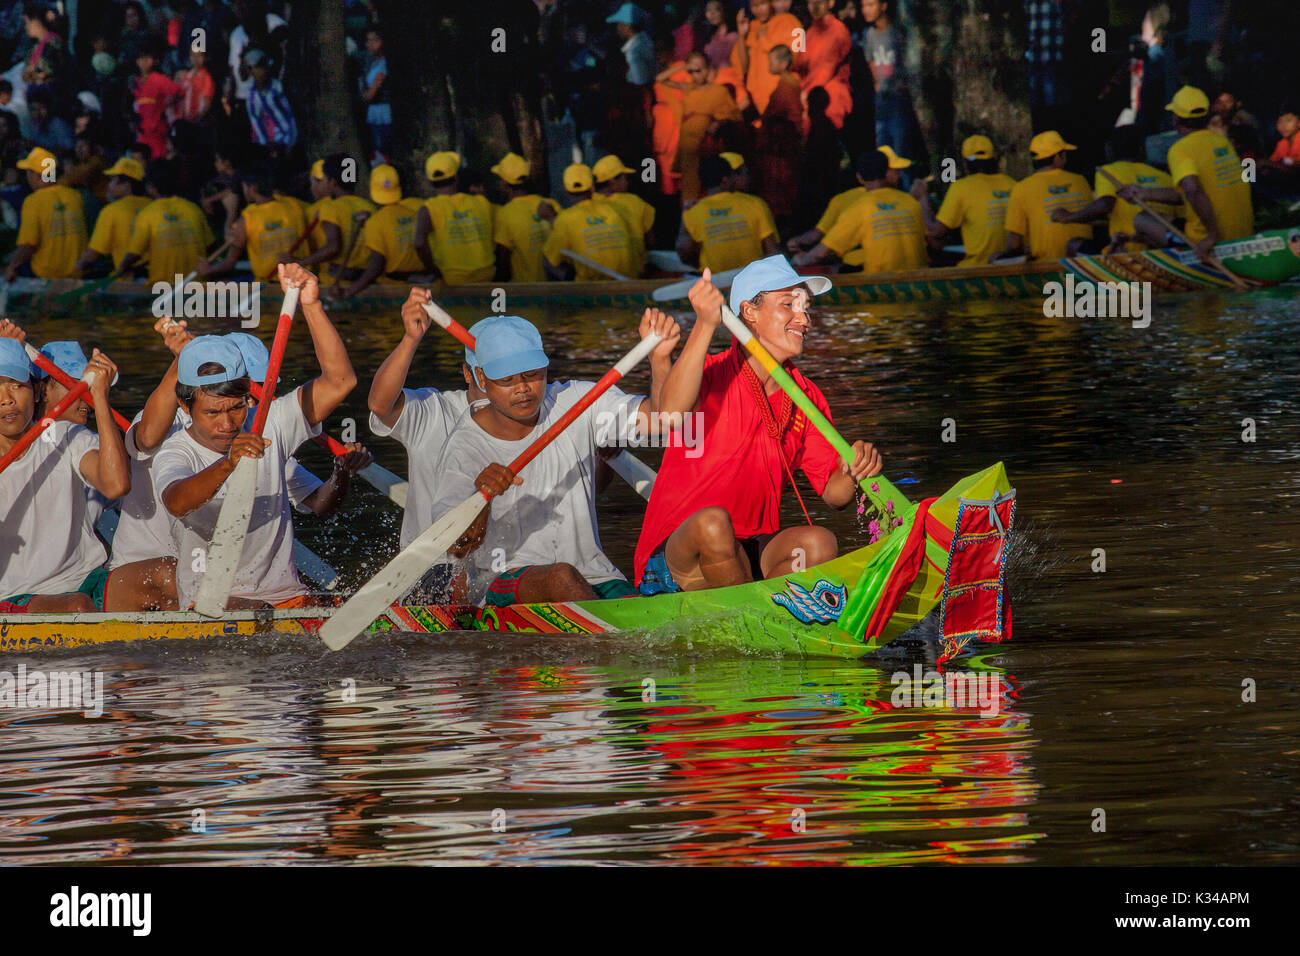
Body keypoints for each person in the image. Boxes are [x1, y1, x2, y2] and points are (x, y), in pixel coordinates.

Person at [633, 256, 882, 595]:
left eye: (805, 308)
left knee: (818, 544)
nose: (804, 318)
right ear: (749, 312)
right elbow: (670, 414)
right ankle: (758, 618)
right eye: (789, 305)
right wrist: (705, 324)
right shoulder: (710, 372)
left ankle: (771, 613)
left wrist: (854, 467)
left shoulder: (806, 396)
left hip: (750, 552)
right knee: (713, 523)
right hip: (677, 558)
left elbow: (835, 495)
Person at [429, 309, 679, 607]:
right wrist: (483, 499)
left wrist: (660, 359)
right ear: (481, 377)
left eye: (533, 375)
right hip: (499, 583)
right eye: (507, 379)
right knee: (561, 577)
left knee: (644, 609)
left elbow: (663, 421)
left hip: (595, 575)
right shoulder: (464, 446)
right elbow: (456, 549)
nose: (523, 388)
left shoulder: (577, 401)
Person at [154, 264, 356, 611]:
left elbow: (340, 382)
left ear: (249, 397)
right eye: (212, 413)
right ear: (186, 408)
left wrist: (311, 305)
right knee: (258, 612)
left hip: (285, 596)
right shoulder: (176, 451)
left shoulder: (269, 422)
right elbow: (177, 501)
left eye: (236, 408)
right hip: (210, 601)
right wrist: (228, 463)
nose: (227, 423)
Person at [0, 338, 131, 613]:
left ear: (35, 393)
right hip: (17, 595)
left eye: (17, 385)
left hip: (86, 580)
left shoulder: (65, 434)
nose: (7, 398)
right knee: (78, 606)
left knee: (164, 575)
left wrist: (100, 399)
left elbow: (116, 484)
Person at [367, 287, 482, 562]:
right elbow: (380, 405)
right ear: (467, 374)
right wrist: (410, 338)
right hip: (432, 566)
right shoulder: (434, 409)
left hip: (507, 568)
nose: (515, 387)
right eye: (497, 375)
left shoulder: (537, 410)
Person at [1116, 86, 1253, 261]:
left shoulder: (1180, 149)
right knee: (1154, 226)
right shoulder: (1222, 142)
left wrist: (1211, 236)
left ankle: (1183, 256)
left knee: (1142, 220)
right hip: (1242, 234)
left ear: (1176, 119)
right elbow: (1189, 191)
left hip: (1210, 240)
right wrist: (1143, 193)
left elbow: (1193, 190)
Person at [793, 149, 927, 272]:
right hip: (919, 284)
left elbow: (821, 252)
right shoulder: (910, 201)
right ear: (887, 173)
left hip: (883, 286)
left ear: (859, 177)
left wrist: (801, 259)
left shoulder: (860, 207)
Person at [1049, 125, 1177, 253]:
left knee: (1072, 246)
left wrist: (1067, 217)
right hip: (1165, 251)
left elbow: (1105, 204)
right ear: (1142, 150)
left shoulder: (1108, 172)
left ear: (1109, 150)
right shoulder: (1165, 177)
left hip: (1126, 251)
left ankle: (1070, 274)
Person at [918, 135, 1018, 266]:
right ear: (993, 158)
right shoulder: (1012, 184)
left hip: (978, 268)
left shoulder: (962, 187)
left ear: (965, 162)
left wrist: (922, 198)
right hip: (1013, 265)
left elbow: (935, 231)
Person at [200, 165, 307, 282]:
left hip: (268, 285)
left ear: (253, 188)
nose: (244, 191)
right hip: (302, 279)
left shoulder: (248, 218)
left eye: (245, 186)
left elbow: (229, 264)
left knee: (219, 285)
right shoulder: (295, 205)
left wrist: (208, 269)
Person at [118, 159, 215, 285]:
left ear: (151, 187)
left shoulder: (147, 214)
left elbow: (134, 253)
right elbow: (210, 246)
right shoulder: (193, 209)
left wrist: (121, 268)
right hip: (198, 287)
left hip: (164, 289)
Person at [336, 164, 426, 298]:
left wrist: (349, 291)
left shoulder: (375, 223)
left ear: (371, 189)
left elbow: (376, 267)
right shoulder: (414, 213)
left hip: (395, 288)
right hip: (423, 282)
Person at [679, 155, 780, 272]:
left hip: (716, 283)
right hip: (752, 279)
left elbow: (684, 253)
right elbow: (772, 252)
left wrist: (685, 215)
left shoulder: (693, 210)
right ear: (726, 180)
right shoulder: (755, 203)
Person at [1004, 130, 1093, 261]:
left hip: (1048, 269)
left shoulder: (1022, 188)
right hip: (1083, 265)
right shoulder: (1080, 180)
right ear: (1058, 157)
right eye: (1064, 153)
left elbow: (1014, 243)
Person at [669, 50, 742, 202]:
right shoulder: (689, 88)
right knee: (690, 193)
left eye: (701, 69)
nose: (698, 74)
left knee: (711, 189)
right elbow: (660, 79)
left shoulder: (720, 90)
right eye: (693, 71)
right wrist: (682, 68)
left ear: (709, 69)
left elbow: (735, 116)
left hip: (709, 148)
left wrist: (719, 122)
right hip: (689, 147)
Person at [4, 146, 87, 281]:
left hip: (49, 282)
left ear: (34, 174)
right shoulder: (75, 196)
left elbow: (29, 244)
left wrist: (12, 266)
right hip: (77, 277)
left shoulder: (33, 201)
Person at [542, 164, 636, 282]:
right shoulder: (614, 210)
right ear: (592, 187)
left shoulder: (565, 219)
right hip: (625, 283)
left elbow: (550, 260)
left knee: (547, 260)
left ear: (565, 190)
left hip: (590, 289)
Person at [292, 153, 375, 285]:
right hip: (365, 280)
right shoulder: (369, 206)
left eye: (324, 178)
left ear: (333, 182)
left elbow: (334, 247)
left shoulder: (331, 208)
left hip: (337, 283)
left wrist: (301, 263)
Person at [413, 151, 495, 284]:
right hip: (486, 274)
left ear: (430, 182)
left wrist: (434, 271)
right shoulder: (482, 202)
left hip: (452, 279)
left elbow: (419, 243)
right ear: (456, 177)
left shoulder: (428, 209)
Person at [75, 156, 150, 276]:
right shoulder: (153, 206)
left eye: (113, 180)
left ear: (126, 185)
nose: (109, 185)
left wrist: (78, 266)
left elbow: (93, 254)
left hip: (128, 284)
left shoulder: (112, 211)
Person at [754, 44, 803, 226]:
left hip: (782, 148)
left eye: (772, 61)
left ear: (783, 64)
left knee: (780, 190)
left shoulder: (787, 86)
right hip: (776, 145)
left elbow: (794, 117)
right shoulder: (785, 84)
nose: (769, 65)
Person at [491, 152, 560, 282]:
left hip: (526, 291)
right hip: (557, 288)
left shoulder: (505, 213)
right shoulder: (551, 204)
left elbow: (503, 261)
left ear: (505, 184)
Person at [731, 0, 801, 115]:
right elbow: (743, 67)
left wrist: (764, 41)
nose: (759, 9)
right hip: (756, 99)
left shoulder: (791, 22)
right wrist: (742, 35)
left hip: (781, 94)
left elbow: (795, 58)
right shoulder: (752, 26)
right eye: (754, 6)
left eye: (763, 4)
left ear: (771, 3)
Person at [861, 0, 911, 156]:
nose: (865, 10)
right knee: (883, 148)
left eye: (870, 5)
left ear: (883, 6)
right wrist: (877, 83)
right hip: (882, 99)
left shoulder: (897, 32)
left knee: (901, 147)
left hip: (899, 99)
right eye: (863, 6)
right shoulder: (869, 35)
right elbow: (872, 61)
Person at [593, 154, 655, 277]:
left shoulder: (587, 205)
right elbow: (651, 240)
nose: (627, 181)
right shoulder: (635, 202)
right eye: (624, 177)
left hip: (595, 280)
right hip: (633, 277)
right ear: (612, 181)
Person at [800, 0, 854, 131]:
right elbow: (800, 66)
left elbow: (827, 69)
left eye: (819, 2)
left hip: (831, 96)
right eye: (810, 3)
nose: (814, 7)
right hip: (809, 95)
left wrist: (806, 95)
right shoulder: (809, 33)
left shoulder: (838, 31)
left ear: (830, 3)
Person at [131, 42, 182, 160]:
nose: (144, 62)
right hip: (143, 133)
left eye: (148, 58)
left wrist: (168, 104)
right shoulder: (136, 82)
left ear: (154, 60)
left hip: (158, 133)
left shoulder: (159, 79)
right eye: (141, 58)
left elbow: (178, 91)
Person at [245, 48, 297, 149]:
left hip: (291, 141)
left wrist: (291, 143)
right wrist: (267, 146)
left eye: (264, 66)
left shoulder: (278, 88)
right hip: (274, 146)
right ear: (250, 70)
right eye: (258, 67)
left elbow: (291, 116)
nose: (262, 71)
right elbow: (256, 123)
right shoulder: (251, 97)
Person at [361, 26, 391, 163]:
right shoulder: (374, 63)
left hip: (383, 112)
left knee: (382, 150)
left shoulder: (384, 64)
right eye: (368, 41)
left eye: (375, 40)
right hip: (374, 112)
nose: (370, 44)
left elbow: (372, 92)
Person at [23, 88, 73, 153]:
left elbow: (67, 149)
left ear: (49, 108)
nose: (38, 113)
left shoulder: (58, 124)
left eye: (42, 108)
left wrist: (39, 148)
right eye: (34, 109)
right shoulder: (30, 124)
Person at [175, 46, 215, 124]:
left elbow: (206, 104)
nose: (196, 59)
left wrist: (196, 120)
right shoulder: (187, 75)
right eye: (193, 55)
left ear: (204, 58)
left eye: (199, 56)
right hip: (184, 120)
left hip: (198, 122)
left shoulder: (206, 78)